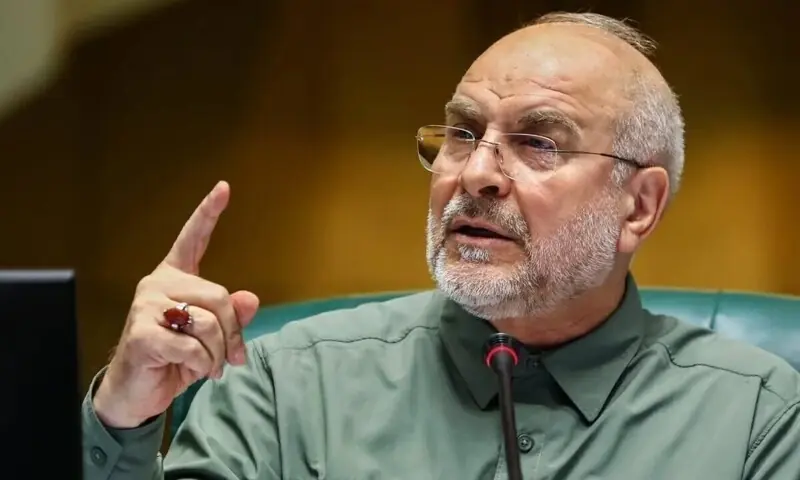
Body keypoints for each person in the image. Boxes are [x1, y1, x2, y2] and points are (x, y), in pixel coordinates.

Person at [82, 12, 800, 480]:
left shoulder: (759, 418)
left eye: (539, 142)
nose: (476, 172)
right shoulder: (282, 384)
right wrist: (123, 419)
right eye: (462, 132)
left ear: (638, 205)